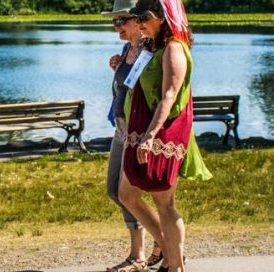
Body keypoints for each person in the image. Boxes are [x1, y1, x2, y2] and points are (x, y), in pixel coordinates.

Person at [118, 0, 212, 271]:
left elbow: (170, 95)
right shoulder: (152, 47)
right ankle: (171, 255)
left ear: (161, 18)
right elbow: (138, 82)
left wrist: (150, 136)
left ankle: (176, 265)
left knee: (165, 202)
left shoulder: (174, 48)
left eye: (143, 18)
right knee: (127, 192)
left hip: (165, 131)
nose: (139, 24)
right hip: (145, 127)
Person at [101, 1, 162, 271]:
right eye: (115, 23)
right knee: (114, 189)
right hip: (120, 127)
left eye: (120, 22)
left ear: (137, 21)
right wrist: (118, 68)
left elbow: (151, 88)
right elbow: (126, 86)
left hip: (137, 130)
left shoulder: (151, 50)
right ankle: (140, 252)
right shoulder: (127, 50)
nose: (117, 28)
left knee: (127, 193)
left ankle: (165, 245)